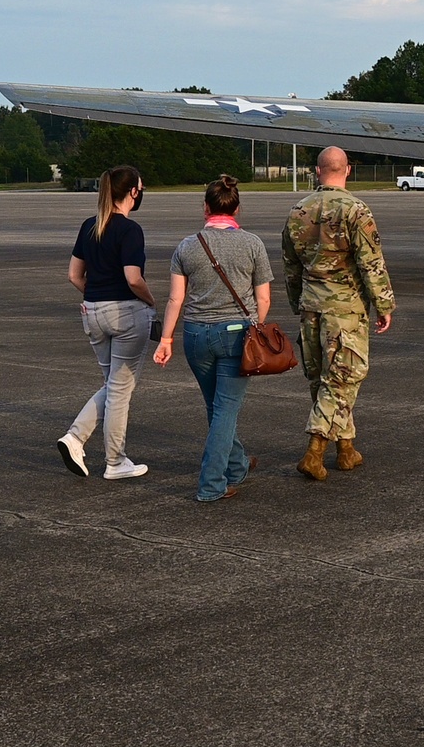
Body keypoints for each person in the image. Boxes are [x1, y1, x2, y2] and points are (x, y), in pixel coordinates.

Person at [154, 175, 273, 502]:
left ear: (206, 208)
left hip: (196, 336)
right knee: (224, 409)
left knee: (217, 407)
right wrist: (256, 329)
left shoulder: (187, 246)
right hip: (236, 335)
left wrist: (166, 339)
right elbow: (264, 299)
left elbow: (175, 299)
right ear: (237, 208)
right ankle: (211, 484)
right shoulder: (252, 244)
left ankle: (236, 465)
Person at [283, 146, 396, 481]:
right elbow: (371, 263)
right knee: (344, 378)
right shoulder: (356, 211)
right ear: (347, 170)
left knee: (324, 380)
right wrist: (384, 304)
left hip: (311, 306)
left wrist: (296, 303)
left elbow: (291, 267)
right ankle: (315, 449)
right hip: (345, 309)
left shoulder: (298, 210)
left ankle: (346, 449)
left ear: (318, 172)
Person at [61, 166, 157, 480]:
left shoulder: (90, 226)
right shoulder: (130, 230)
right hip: (126, 313)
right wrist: (151, 300)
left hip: (93, 312)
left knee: (111, 384)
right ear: (132, 192)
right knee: (119, 389)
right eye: (141, 187)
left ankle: (76, 438)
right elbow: (133, 277)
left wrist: (96, 296)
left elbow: (74, 275)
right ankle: (114, 460)